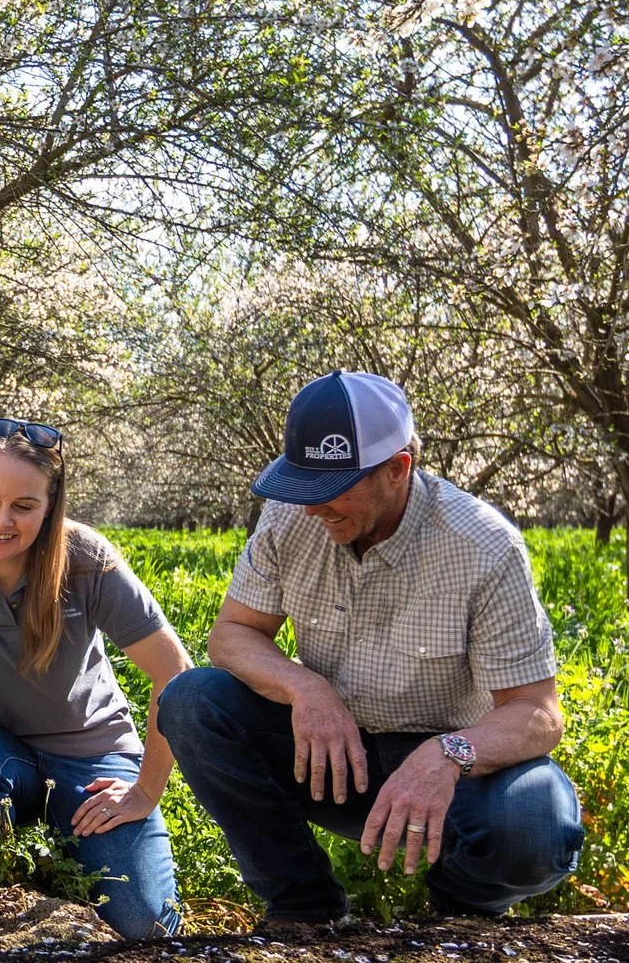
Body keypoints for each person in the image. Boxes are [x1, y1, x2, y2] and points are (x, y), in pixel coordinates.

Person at [157, 371, 582, 931]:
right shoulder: (290, 516)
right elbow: (233, 633)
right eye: (302, 485)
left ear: (397, 468)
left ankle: (459, 918)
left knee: (535, 824)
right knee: (192, 702)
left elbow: (538, 713)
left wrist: (447, 754)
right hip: (331, 755)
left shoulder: (483, 546)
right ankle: (302, 908)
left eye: (332, 489)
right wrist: (305, 687)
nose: (312, 509)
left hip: (454, 772)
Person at [0, 418, 193, 940]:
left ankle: (68, 857)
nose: (2, 520)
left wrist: (145, 791)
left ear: (50, 507)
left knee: (146, 927)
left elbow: (175, 673)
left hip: (92, 761)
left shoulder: (86, 560)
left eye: (24, 506)